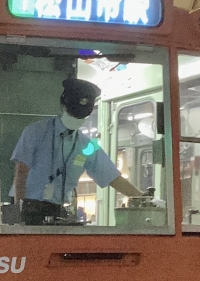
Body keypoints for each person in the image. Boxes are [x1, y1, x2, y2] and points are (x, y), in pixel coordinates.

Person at [10, 77, 145, 225]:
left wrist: (143, 199)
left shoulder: (87, 146)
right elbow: (21, 172)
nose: (76, 119)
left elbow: (113, 177)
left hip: (57, 211)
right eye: (73, 113)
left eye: (81, 116)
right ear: (62, 105)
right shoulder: (36, 132)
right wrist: (20, 213)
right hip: (27, 207)